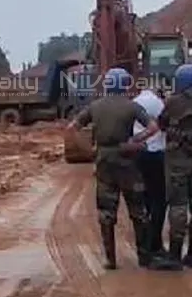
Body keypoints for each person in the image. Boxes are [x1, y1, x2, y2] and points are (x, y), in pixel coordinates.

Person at [66, 67, 159, 270]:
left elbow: (72, 128)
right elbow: (153, 127)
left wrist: (88, 151)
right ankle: (144, 257)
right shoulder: (131, 107)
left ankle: (110, 259)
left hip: (104, 162)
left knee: (106, 212)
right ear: (125, 85)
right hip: (127, 161)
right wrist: (136, 140)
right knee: (138, 211)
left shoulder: (95, 106)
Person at [150, 64, 192, 271]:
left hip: (177, 161)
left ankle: (175, 255)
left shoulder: (172, 102)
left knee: (178, 206)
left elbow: (162, 123)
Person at [132, 81, 167, 256]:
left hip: (139, 155)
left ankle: (144, 243)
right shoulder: (158, 103)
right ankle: (156, 243)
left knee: (144, 199)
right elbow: (165, 125)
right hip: (157, 154)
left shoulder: (135, 102)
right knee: (159, 200)